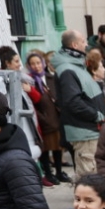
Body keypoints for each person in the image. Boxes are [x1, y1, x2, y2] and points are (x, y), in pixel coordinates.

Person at [51, 32, 105, 177]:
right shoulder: (68, 69)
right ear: (74, 45)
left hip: (89, 131)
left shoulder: (76, 66)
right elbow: (72, 102)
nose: (87, 44)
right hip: (84, 133)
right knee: (89, 178)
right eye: (83, 41)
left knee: (94, 176)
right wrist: (97, 116)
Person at [25, 49, 68, 184]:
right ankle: (48, 173)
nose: (36, 66)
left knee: (57, 146)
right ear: (29, 66)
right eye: (33, 64)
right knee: (45, 148)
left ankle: (59, 172)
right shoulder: (29, 81)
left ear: (43, 63)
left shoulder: (50, 78)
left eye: (38, 63)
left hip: (56, 117)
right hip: (43, 119)